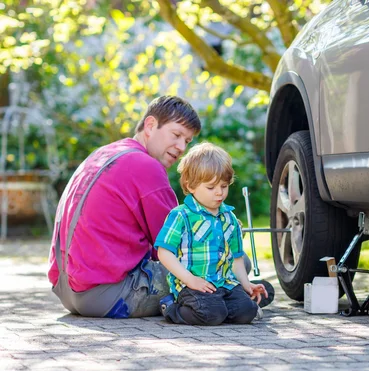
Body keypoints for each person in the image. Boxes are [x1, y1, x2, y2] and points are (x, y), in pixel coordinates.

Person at [48, 95, 273, 318]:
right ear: (150, 125)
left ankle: (235, 295)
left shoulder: (104, 154)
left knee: (221, 265)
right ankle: (223, 299)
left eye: (187, 141)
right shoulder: (147, 167)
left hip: (68, 289)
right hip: (108, 293)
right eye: (176, 135)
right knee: (233, 260)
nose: (181, 147)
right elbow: (179, 246)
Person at [155, 142, 268, 325]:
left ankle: (222, 307)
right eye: (211, 187)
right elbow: (164, 252)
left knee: (247, 311)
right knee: (211, 314)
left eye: (224, 186)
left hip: (223, 283)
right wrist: (190, 280)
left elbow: (237, 258)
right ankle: (171, 307)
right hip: (191, 285)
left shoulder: (229, 218)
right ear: (191, 186)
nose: (219, 193)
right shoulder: (181, 215)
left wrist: (246, 284)